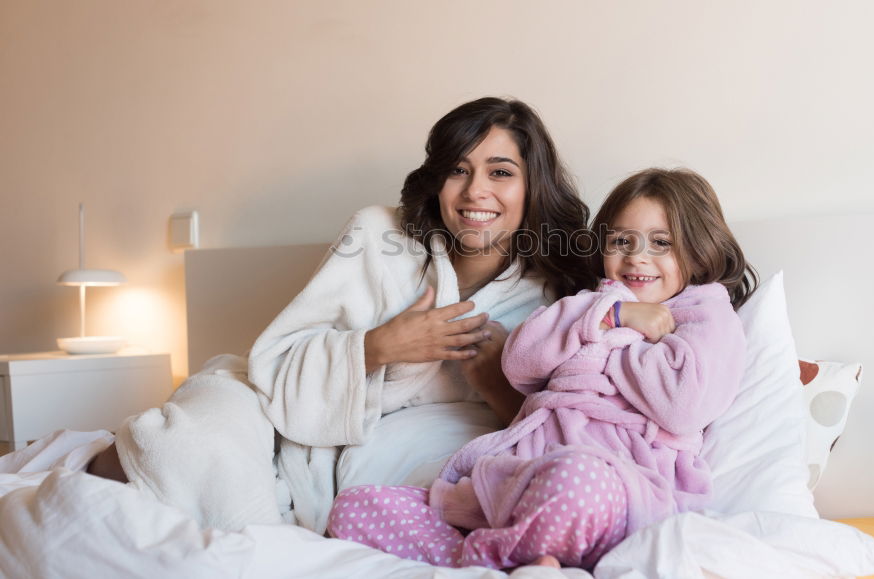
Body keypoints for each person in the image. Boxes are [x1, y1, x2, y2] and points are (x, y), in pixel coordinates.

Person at [87, 97, 596, 533]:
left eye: (500, 172)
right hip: (267, 397)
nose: (474, 191)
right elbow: (275, 360)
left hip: (385, 444)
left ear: (533, 187)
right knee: (184, 449)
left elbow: (564, 432)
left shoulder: (554, 298)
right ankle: (99, 464)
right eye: (457, 170)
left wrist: (495, 385)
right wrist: (378, 347)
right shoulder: (377, 236)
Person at [328, 167, 758, 570]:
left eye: (661, 243)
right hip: (523, 479)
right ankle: (520, 558)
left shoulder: (706, 316)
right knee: (353, 508)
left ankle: (497, 559)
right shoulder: (592, 305)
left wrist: (613, 345)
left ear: (700, 252)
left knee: (577, 479)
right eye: (621, 242)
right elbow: (519, 363)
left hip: (620, 490)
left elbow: (684, 406)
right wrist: (612, 317)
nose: (637, 258)